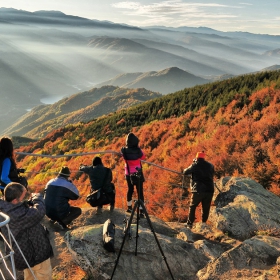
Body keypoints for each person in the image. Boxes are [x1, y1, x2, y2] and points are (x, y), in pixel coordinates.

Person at [0, 182, 53, 280]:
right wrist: (38, 198)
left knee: (29, 275)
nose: (26, 197)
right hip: (35, 252)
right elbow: (38, 212)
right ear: (15, 200)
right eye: (24, 196)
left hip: (22, 252)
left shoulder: (4, 207)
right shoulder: (17, 214)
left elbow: (21, 210)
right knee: (44, 274)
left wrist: (26, 203)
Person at [183, 151, 215, 229]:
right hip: (209, 189)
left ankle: (189, 223)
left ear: (197, 157)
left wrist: (193, 163)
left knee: (192, 206)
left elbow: (185, 172)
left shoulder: (195, 165)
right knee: (206, 207)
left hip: (198, 189)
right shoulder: (210, 165)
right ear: (204, 158)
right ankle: (203, 223)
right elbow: (212, 173)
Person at [120, 132, 146, 217]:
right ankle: (141, 211)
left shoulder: (124, 150)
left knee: (130, 190)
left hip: (128, 173)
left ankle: (129, 207)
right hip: (138, 173)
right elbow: (143, 157)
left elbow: (123, 157)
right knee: (140, 192)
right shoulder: (138, 151)